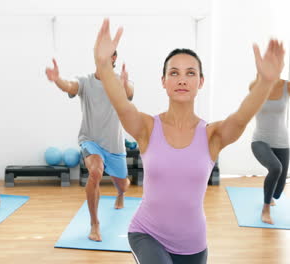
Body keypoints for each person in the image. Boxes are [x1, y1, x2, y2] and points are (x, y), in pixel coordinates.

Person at [93, 19, 284, 263]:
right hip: (146, 233)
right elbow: (121, 104)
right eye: (174, 73)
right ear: (164, 82)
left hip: (194, 245)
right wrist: (103, 65)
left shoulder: (212, 136)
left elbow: (241, 117)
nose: (182, 79)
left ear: (200, 82)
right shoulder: (147, 128)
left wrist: (266, 82)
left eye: (190, 73)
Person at [45, 50, 134, 242]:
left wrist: (125, 83)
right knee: (95, 171)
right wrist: (58, 79)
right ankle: (95, 224)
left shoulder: (120, 81)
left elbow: (129, 92)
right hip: (90, 140)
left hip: (115, 145)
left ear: (113, 59)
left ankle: (120, 193)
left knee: (124, 185)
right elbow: (70, 86)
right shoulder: (85, 82)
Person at [251, 78, 289, 225]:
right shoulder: (256, 86)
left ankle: (271, 196)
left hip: (282, 142)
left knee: (278, 193)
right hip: (260, 140)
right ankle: (265, 209)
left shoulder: (287, 86)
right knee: (275, 167)